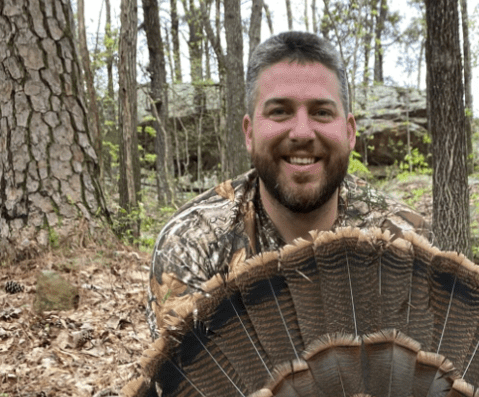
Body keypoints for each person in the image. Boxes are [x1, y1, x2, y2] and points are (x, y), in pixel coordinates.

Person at [147, 31, 429, 340]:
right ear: (249, 132)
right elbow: (183, 385)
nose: (302, 132)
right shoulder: (192, 242)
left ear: (350, 133)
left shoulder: (404, 239)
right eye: (279, 111)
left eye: (321, 112)